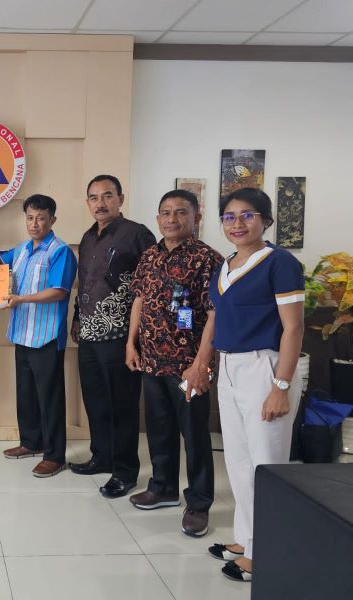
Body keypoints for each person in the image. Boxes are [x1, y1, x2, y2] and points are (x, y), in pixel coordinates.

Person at [184, 187, 304, 582]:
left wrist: (280, 386)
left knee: (265, 464)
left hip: (264, 367)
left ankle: (266, 552)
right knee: (237, 460)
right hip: (231, 366)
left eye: (247, 215)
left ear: (265, 220)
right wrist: (201, 362)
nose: (237, 223)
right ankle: (247, 540)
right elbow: (216, 319)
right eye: (229, 217)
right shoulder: (226, 265)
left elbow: (294, 328)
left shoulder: (280, 263)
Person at [125, 189, 223, 536]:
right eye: (165, 212)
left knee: (194, 434)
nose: (171, 219)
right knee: (159, 428)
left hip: (188, 365)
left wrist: (201, 364)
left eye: (180, 212)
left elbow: (215, 313)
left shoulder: (208, 259)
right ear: (157, 218)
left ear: (196, 217)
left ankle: (199, 502)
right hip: (152, 361)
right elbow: (139, 300)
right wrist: (131, 343)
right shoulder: (149, 255)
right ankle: (163, 487)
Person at [69, 174, 156, 498]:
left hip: (121, 336)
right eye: (94, 197)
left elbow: (150, 287)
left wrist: (138, 338)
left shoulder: (137, 234)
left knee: (122, 406)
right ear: (87, 202)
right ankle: (102, 456)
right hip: (89, 334)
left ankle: (125, 471)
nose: (100, 203)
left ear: (120, 198)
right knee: (95, 401)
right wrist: (77, 319)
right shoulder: (87, 237)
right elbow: (86, 283)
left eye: (107, 196)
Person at [0, 195, 77, 477]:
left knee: (49, 398)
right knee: (26, 394)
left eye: (41, 218)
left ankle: (55, 455)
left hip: (46, 336)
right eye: (30, 218)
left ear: (52, 220)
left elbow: (59, 291)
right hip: (21, 333)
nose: (34, 224)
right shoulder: (23, 248)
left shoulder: (60, 251)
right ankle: (31, 442)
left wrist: (21, 299)